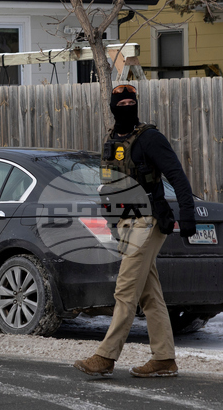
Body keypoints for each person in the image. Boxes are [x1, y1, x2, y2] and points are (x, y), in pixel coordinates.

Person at [74, 84, 196, 378]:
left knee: (125, 290)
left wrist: (188, 216)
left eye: (132, 101)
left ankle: (106, 356)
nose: (127, 106)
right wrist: (112, 224)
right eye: (122, 102)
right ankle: (164, 359)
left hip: (148, 221)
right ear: (113, 107)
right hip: (126, 224)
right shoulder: (110, 141)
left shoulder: (150, 138)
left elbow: (177, 175)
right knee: (149, 295)